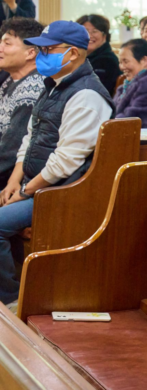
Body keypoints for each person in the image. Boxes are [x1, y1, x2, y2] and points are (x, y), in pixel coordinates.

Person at [0, 20, 114, 305]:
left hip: (62, 191)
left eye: (48, 50)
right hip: (36, 184)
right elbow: (31, 137)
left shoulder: (86, 95)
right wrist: (14, 181)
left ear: (72, 53)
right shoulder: (54, 85)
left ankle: (11, 302)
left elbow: (65, 162)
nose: (41, 56)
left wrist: (25, 191)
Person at [0, 19, 45, 188]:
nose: (0, 48)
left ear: (30, 53)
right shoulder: (11, 80)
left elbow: (11, 150)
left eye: (7, 43)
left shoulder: (33, 87)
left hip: (14, 181)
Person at [113, 38, 147, 128]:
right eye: (120, 62)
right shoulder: (126, 85)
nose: (122, 67)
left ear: (144, 61)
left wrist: (110, 121)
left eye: (125, 61)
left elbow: (137, 120)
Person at [75, 14, 120, 97]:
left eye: (94, 31)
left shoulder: (107, 61)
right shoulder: (77, 58)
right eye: (85, 31)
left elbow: (94, 92)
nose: (89, 36)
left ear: (104, 36)